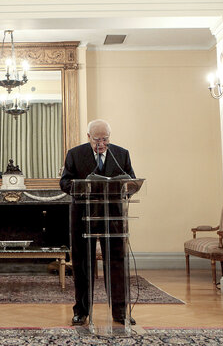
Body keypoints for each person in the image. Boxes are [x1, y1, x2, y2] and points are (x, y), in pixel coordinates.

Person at [60, 119, 135, 326]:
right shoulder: (75, 154)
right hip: (84, 217)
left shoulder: (122, 154)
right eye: (97, 140)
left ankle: (120, 312)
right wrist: (83, 187)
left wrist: (127, 188)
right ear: (88, 138)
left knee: (117, 263)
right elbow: (64, 183)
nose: (101, 144)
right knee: (83, 265)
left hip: (114, 218)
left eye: (105, 139)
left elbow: (131, 182)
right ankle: (81, 311)